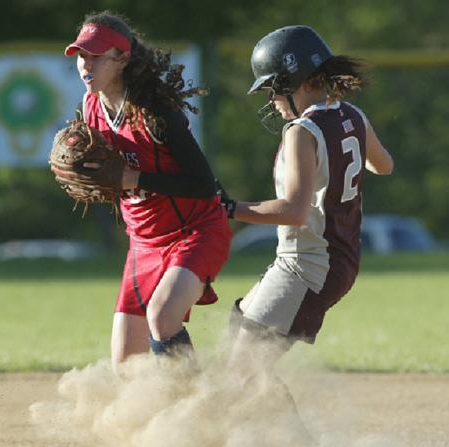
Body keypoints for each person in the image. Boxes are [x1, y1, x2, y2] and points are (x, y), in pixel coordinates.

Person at [63, 11, 232, 366]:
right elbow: (110, 176)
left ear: (122, 59)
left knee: (162, 316)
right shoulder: (89, 107)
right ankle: (165, 415)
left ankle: (202, 407)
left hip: (195, 231)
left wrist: (134, 179)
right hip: (143, 242)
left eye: (96, 55)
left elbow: (204, 185)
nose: (85, 63)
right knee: (125, 366)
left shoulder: (155, 112)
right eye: (81, 55)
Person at [221, 25, 393, 370]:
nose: (272, 100)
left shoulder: (302, 131)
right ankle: (261, 425)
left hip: (308, 265)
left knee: (243, 374)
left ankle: (289, 428)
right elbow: (384, 165)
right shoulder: (353, 115)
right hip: (337, 258)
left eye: (273, 88)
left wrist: (228, 208)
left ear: (293, 81)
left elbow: (294, 211)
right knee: (239, 325)